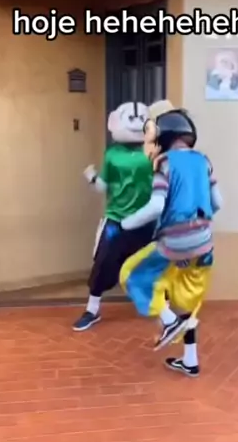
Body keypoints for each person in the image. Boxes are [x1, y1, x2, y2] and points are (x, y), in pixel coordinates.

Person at [119, 108, 223, 377]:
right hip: (204, 245)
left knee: (132, 274)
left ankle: (167, 321)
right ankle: (190, 360)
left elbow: (156, 206)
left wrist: (126, 223)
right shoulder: (204, 161)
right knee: (186, 303)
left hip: (174, 244)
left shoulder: (164, 162)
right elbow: (218, 203)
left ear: (164, 135)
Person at [73, 101, 155, 332]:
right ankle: (92, 309)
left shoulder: (153, 152)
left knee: (154, 261)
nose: (136, 123)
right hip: (117, 220)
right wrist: (92, 177)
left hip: (146, 219)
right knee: (103, 263)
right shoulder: (113, 154)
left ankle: (163, 307)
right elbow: (103, 186)